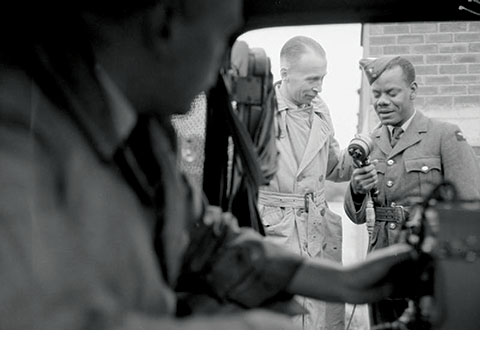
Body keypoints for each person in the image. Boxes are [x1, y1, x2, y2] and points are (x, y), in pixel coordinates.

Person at [1, 1, 423, 329]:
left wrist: (345, 282)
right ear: (166, 25)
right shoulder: (21, 132)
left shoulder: (143, 137)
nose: (221, 71)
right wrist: (245, 328)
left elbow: (205, 238)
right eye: (222, 38)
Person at [344, 55, 480, 326]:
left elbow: (469, 211)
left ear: (413, 90)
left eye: (392, 92)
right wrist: (357, 189)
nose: (382, 101)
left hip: (428, 267)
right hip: (382, 265)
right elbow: (357, 216)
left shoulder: (444, 135)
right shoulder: (371, 141)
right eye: (377, 94)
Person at [257, 36, 353, 329]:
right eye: (312, 78)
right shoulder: (259, 112)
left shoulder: (321, 111)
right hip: (278, 231)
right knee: (284, 317)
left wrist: (366, 148)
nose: (319, 87)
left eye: (322, 78)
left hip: (316, 229)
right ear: (284, 74)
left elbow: (334, 169)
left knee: (318, 318)